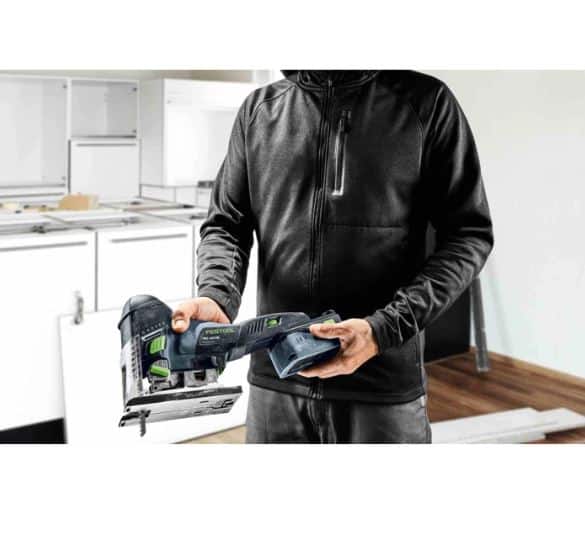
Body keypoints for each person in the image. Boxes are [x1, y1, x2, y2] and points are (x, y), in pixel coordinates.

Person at [171, 70, 494, 443]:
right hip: (277, 381)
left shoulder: (426, 103)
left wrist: (384, 329)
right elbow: (227, 224)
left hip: (380, 385)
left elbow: (468, 235)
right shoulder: (259, 110)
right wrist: (216, 294)